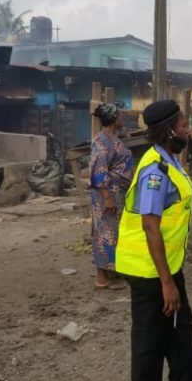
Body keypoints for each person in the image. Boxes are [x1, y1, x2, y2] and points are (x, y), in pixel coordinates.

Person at [115, 99, 192, 381]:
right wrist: (166, 283)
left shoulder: (169, 160)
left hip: (167, 266)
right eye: (184, 125)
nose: (188, 130)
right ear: (169, 131)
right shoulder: (155, 171)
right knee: (149, 345)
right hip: (149, 273)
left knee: (180, 340)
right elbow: (150, 226)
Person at [89, 103, 134, 289]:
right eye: (120, 116)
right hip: (106, 193)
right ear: (114, 119)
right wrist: (107, 197)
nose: (122, 118)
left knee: (113, 233)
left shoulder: (112, 138)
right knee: (104, 233)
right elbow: (98, 172)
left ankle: (111, 272)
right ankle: (102, 278)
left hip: (116, 192)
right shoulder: (102, 142)